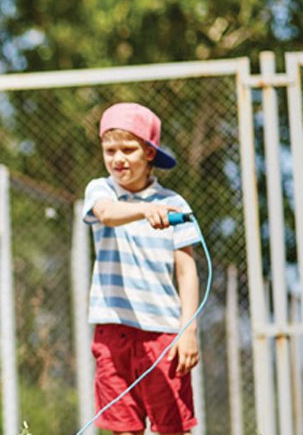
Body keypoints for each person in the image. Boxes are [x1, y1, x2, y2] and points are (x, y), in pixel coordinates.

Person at [82, 102, 201, 435]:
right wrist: (142, 212)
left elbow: (187, 271)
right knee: (123, 427)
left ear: (149, 153)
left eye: (128, 149)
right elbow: (105, 213)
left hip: (162, 333)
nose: (118, 158)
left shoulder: (175, 204)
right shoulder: (100, 189)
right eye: (110, 150)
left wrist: (187, 330)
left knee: (173, 427)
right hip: (112, 331)